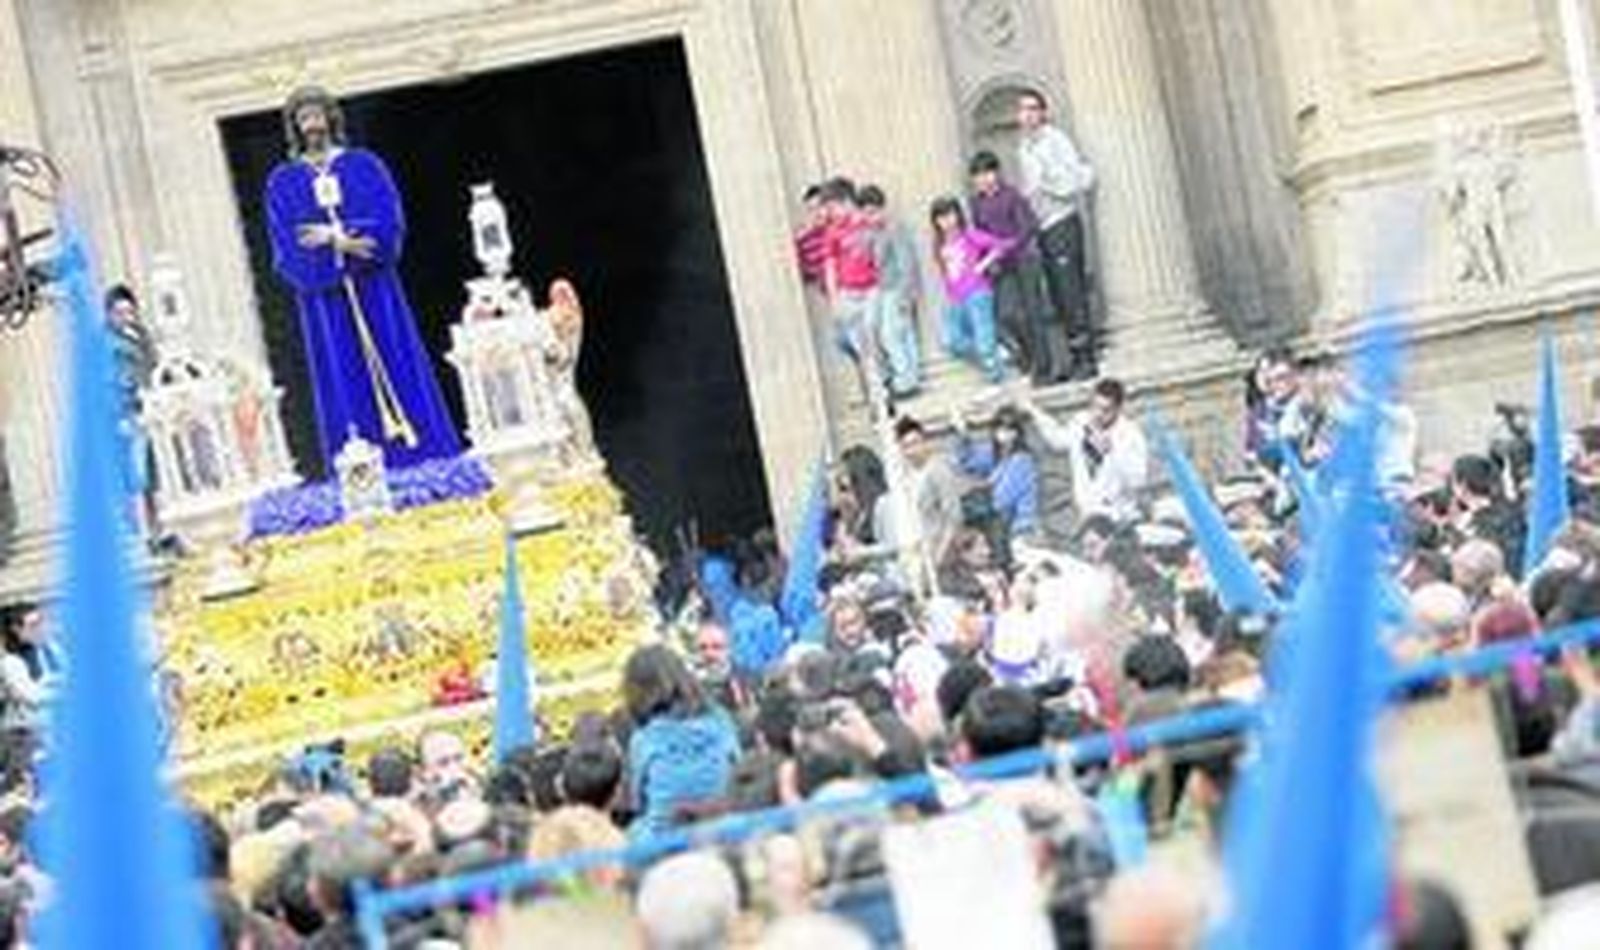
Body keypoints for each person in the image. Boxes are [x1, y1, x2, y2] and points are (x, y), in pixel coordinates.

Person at [264, 85, 460, 471]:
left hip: (376, 291)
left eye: (317, 115)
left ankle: (427, 459)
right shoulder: (283, 182)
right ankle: (361, 469)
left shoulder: (364, 166)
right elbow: (287, 248)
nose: (312, 124)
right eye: (303, 118)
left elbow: (389, 224)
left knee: (397, 362)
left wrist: (340, 238)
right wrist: (332, 255)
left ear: (331, 118)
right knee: (343, 377)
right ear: (295, 127)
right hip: (328, 301)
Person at [1015, 89, 1098, 379]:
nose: (1026, 115)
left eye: (1032, 108)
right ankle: (1071, 356)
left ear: (1043, 112)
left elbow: (1079, 177)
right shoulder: (1024, 148)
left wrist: (1046, 179)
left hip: (1062, 221)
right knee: (1057, 295)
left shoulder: (1055, 140)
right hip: (1043, 228)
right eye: (1022, 110)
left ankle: (1086, 357)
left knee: (1071, 290)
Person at [968, 150, 1069, 384]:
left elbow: (1028, 227)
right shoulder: (976, 204)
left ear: (998, 173)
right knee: (1007, 314)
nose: (985, 179)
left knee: (1034, 313)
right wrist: (986, 260)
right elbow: (979, 236)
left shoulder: (1012, 196)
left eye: (988, 172)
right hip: (1000, 267)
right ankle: (1028, 359)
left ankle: (1045, 369)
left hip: (1024, 259)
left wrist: (1006, 246)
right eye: (979, 175)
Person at [622, 645, 740, 837]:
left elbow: (638, 802)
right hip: (723, 826)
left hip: (665, 838)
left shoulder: (644, 740)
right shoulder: (719, 719)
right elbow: (737, 767)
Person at [1022, 378, 1150, 524]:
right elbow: (1059, 440)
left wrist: (1112, 451)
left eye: (1105, 410)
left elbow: (1138, 481)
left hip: (1118, 515)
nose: (1098, 414)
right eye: (1094, 407)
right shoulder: (1081, 422)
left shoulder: (1130, 434)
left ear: (1118, 408)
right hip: (1087, 511)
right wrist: (1033, 411)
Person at [929, 196, 1010, 383]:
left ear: (958, 215)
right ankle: (995, 353)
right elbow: (946, 274)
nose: (946, 222)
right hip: (956, 298)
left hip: (978, 292)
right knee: (952, 341)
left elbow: (1000, 245)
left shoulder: (969, 235)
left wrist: (982, 265)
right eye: (940, 218)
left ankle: (994, 374)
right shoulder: (939, 245)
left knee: (983, 335)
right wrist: (950, 297)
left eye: (950, 215)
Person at [818, 177, 884, 406]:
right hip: (848, 292)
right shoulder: (832, 233)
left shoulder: (867, 224)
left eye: (833, 206)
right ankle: (873, 386)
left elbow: (881, 251)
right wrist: (834, 296)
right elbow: (829, 266)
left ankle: (879, 383)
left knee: (872, 334)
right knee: (856, 341)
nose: (831, 212)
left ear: (846, 202)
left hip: (872, 289)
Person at [858, 184, 922, 399]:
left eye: (873, 211)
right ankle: (903, 376)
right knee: (883, 333)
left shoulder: (895, 229)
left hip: (896, 288)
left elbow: (907, 263)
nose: (870, 217)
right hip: (882, 290)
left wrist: (907, 295)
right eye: (866, 213)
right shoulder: (870, 234)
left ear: (882, 208)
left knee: (893, 335)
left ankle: (906, 378)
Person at [954, 404, 1041, 545]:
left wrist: (978, 487)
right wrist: (962, 432)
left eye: (1010, 429)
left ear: (1017, 433)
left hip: (1022, 532)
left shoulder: (1022, 461)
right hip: (1003, 531)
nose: (1004, 433)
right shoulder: (995, 454)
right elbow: (966, 461)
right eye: (1000, 427)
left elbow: (1001, 500)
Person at [894, 416, 966, 577]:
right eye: (905, 446)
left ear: (925, 443)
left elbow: (953, 516)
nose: (911, 451)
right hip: (917, 552)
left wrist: (940, 555)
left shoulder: (938, 471)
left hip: (939, 553)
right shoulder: (905, 476)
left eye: (915, 443)